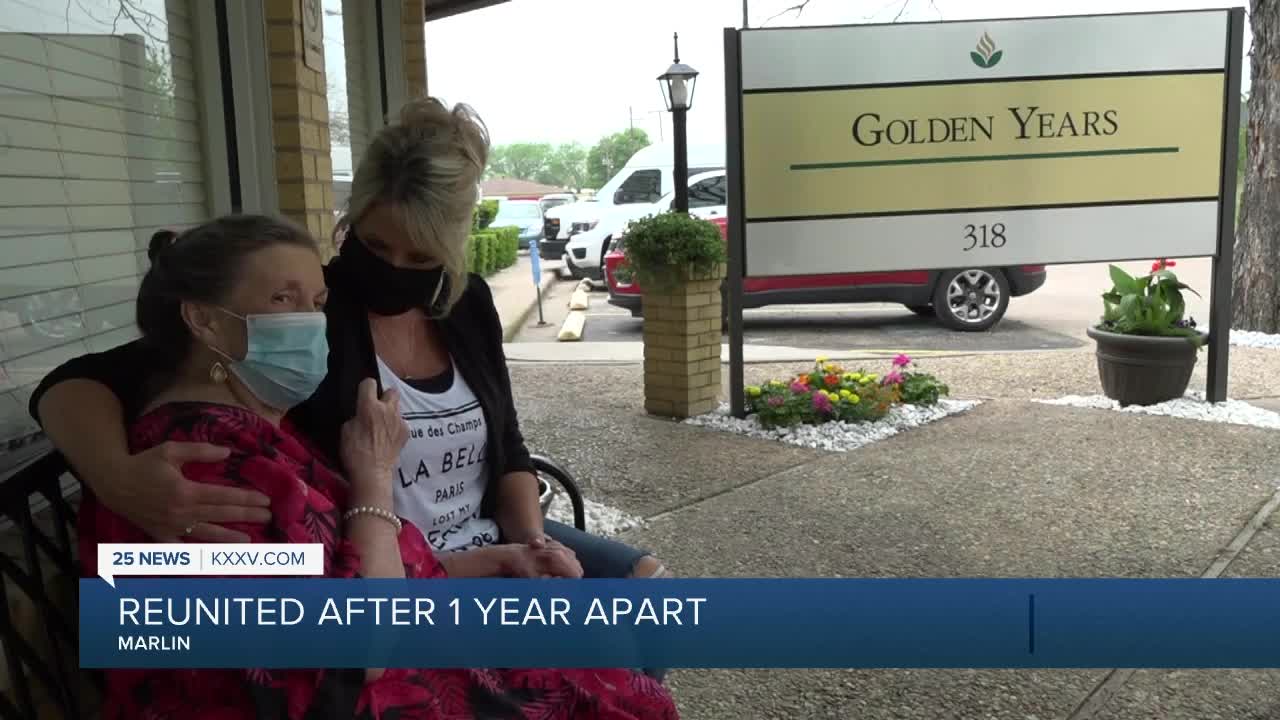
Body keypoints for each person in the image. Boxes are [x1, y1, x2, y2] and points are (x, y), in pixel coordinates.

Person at [30, 97, 665, 585]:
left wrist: (532, 542)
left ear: (450, 248)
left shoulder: (464, 304)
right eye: (376, 243)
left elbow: (509, 448)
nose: (393, 267)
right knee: (609, 663)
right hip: (393, 563)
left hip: (489, 540)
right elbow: (75, 383)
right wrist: (115, 478)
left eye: (420, 256)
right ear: (352, 221)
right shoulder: (307, 315)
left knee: (647, 589)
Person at [81, 214, 677, 719]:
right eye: (283, 299)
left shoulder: (261, 433)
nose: (311, 323)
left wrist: (506, 557)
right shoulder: (198, 471)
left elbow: (349, 574)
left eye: (317, 303)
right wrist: (372, 477)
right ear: (204, 320)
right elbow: (353, 652)